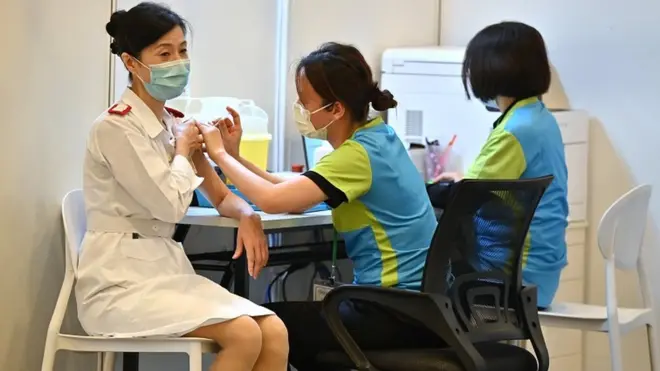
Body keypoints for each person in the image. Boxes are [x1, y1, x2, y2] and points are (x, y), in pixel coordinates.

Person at [196, 42, 442, 370]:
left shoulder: (356, 155)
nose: (298, 108)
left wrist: (219, 155)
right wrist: (236, 157)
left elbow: (272, 200)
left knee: (270, 325)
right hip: (422, 307)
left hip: (394, 311)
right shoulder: (379, 137)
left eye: (304, 102)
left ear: (335, 109)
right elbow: (286, 192)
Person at [77, 3, 288, 371]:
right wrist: (182, 151)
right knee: (243, 334)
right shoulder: (114, 128)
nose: (178, 61)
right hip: (117, 284)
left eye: (182, 50)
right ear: (131, 63)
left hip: (165, 273)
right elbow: (168, 207)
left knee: (273, 330)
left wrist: (247, 213)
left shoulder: (175, 124)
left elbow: (219, 196)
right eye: (164, 53)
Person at [435, 21, 569, 309]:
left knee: (414, 287)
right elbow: (490, 187)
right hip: (539, 275)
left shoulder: (514, 131)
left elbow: (464, 197)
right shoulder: (540, 119)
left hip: (507, 280)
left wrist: (416, 189)